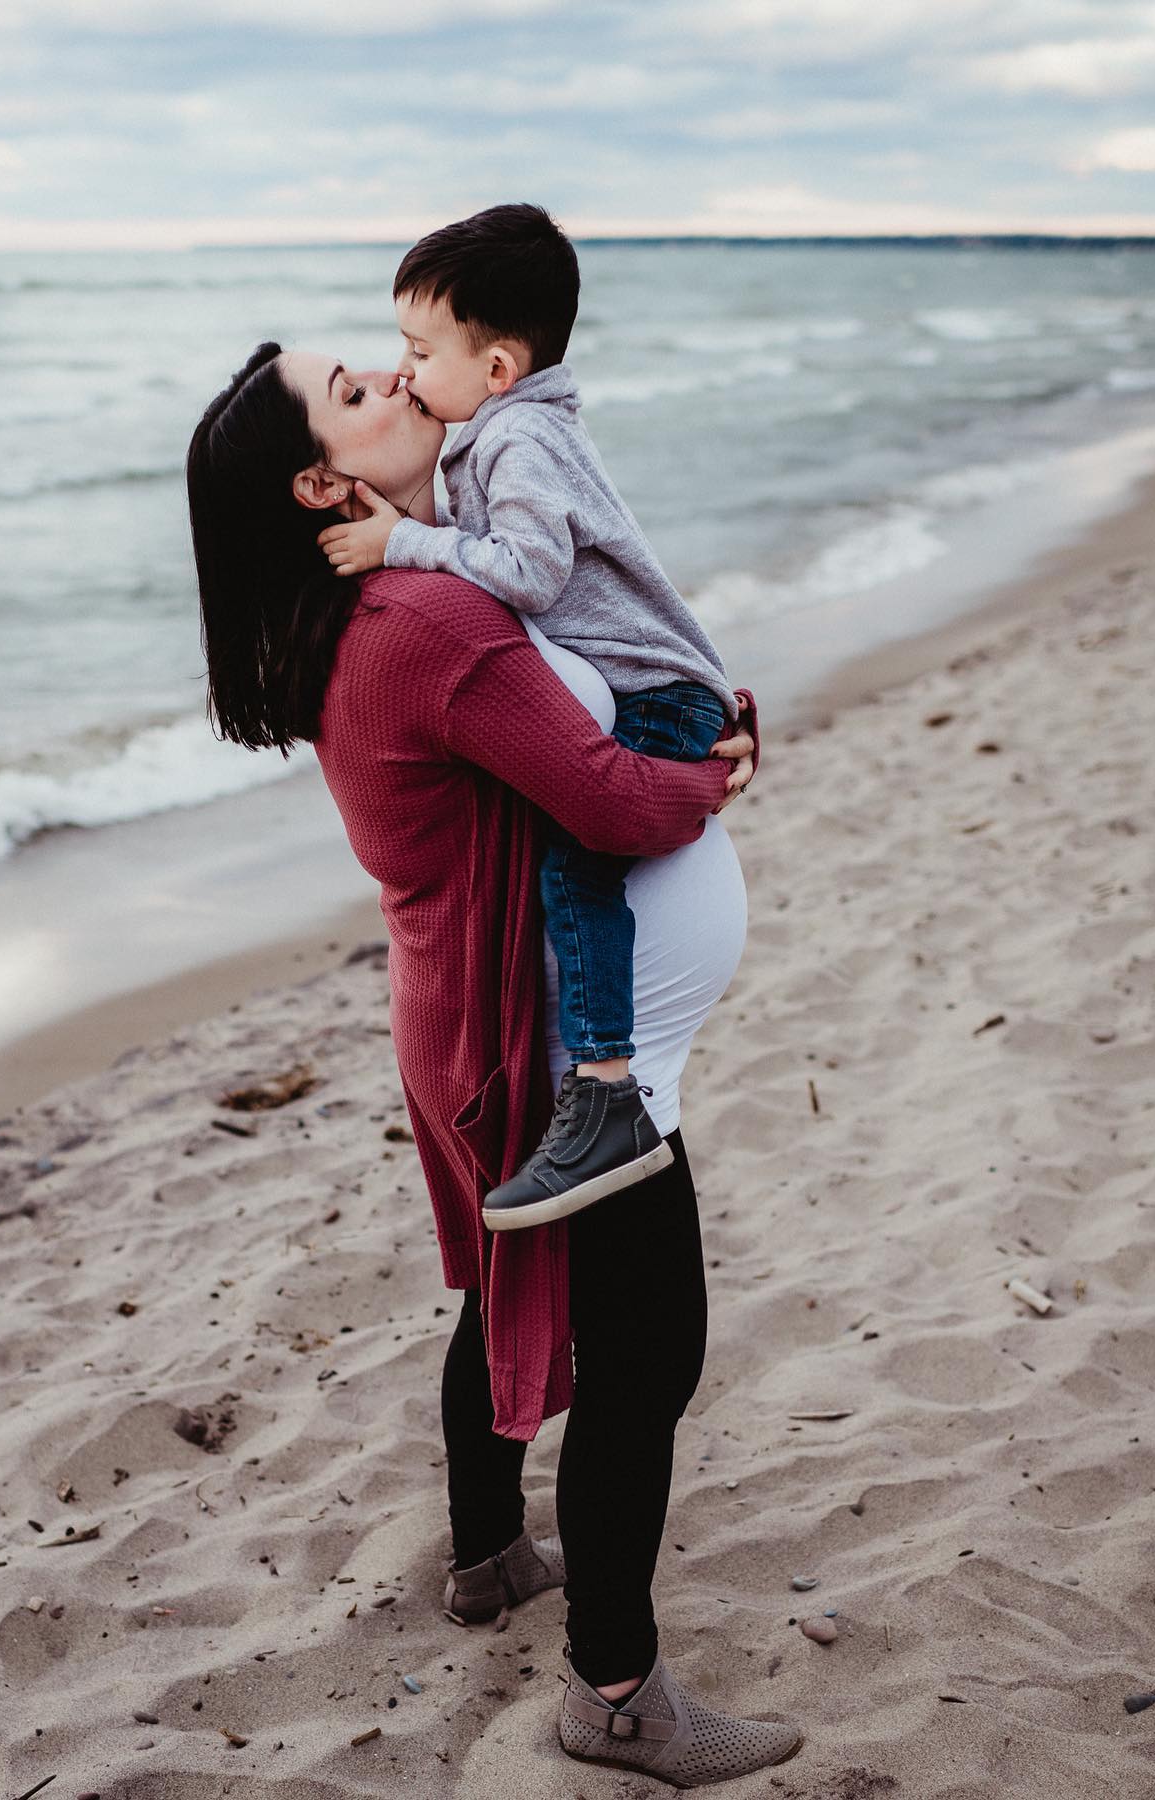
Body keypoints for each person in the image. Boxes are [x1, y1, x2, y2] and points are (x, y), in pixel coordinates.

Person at [186, 341, 804, 1785]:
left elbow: (579, 729)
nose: (392, 380)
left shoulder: (399, 594)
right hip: (558, 1054)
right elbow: (606, 803)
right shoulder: (426, 622)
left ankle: (485, 1557)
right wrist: (712, 774)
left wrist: (695, 731)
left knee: (508, 1288)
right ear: (319, 485)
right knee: (646, 1353)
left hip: (471, 1014)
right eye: (354, 391)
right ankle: (616, 1695)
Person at [317, 204, 739, 1235]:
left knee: (577, 870)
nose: (402, 372)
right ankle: (607, 1089)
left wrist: (401, 545)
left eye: (419, 352)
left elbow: (531, 574)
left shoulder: (518, 441)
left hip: (660, 695)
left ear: (498, 368)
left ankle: (604, 1089)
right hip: (663, 687)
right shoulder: (508, 433)